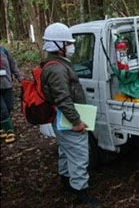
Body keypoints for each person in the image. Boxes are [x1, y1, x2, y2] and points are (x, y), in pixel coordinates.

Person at [41, 23, 99, 206]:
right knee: (79, 153)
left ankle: (66, 180)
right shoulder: (56, 69)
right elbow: (63, 99)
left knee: (65, 150)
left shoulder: (56, 64)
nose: (71, 47)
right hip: (66, 117)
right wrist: (76, 121)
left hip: (61, 117)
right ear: (58, 47)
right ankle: (81, 191)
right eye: (68, 44)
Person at [0, 46, 22, 144]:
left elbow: (13, 65)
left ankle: (2, 126)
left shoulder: (3, 50)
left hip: (7, 84)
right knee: (2, 109)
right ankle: (9, 130)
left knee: (9, 106)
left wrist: (20, 78)